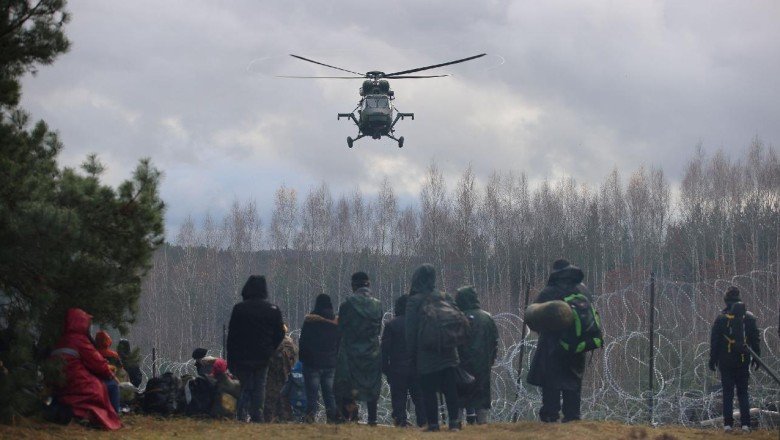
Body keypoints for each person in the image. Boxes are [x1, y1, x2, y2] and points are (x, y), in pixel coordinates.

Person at [527, 259, 591, 423]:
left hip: (552, 345)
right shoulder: (583, 289)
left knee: (551, 382)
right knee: (573, 381)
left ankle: (550, 415)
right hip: (578, 345)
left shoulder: (550, 291)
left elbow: (533, 317)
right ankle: (572, 416)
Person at [405, 264, 463, 432]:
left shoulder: (414, 301)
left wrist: (412, 355)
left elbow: (410, 332)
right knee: (450, 388)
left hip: (426, 352)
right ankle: (454, 423)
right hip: (448, 350)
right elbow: (457, 317)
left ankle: (433, 424)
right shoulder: (445, 296)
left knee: (428, 389)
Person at [48, 308, 122, 430]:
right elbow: (99, 365)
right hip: (80, 384)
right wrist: (111, 375)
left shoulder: (60, 341)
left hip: (61, 386)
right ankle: (113, 420)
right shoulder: (81, 341)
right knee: (112, 386)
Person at [227, 275, 285, 423]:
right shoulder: (272, 309)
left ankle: (240, 414)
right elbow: (280, 333)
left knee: (243, 386)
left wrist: (231, 357)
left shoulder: (239, 309)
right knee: (260, 387)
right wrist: (271, 348)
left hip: (242, 355)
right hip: (263, 355)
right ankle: (257, 415)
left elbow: (232, 335)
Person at [709, 286, 761, 433]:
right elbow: (755, 340)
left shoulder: (721, 319)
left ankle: (728, 425)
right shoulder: (749, 318)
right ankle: (745, 425)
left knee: (728, 393)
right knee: (743, 392)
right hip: (743, 359)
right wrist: (756, 357)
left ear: (726, 301)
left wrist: (712, 360)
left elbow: (715, 342)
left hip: (725, 361)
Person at [334, 272, 383, 425]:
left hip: (350, 352)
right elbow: (378, 330)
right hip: (372, 351)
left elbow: (340, 329)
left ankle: (347, 418)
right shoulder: (378, 304)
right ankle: (372, 419)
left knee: (347, 386)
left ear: (353, 286)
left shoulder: (347, 305)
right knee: (371, 385)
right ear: (368, 285)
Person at [455, 285, 498, 425]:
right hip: (482, 364)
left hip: (461, 364)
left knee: (460, 396)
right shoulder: (487, 317)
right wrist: (490, 360)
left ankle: (456, 424)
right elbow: (494, 341)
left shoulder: (458, 318)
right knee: (481, 397)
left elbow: (453, 341)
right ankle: (482, 425)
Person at [381, 294, 426, 427]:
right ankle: (423, 424)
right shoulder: (419, 324)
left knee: (398, 399)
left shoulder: (391, 325)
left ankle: (400, 423)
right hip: (417, 367)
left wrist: (386, 370)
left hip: (397, 369)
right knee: (420, 399)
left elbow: (384, 350)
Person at [298, 294, 340, 422]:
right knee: (330, 396)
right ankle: (333, 421)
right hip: (330, 365)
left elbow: (303, 342)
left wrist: (303, 359)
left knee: (312, 396)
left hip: (312, 364)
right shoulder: (336, 323)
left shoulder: (310, 322)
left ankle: (310, 420)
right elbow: (339, 344)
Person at [264, 324, 298, 422]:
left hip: (272, 378)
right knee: (284, 401)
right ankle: (284, 420)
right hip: (286, 377)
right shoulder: (290, 343)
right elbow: (294, 359)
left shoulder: (270, 343)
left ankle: (271, 420)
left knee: (271, 401)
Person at [94, 330, 123, 413]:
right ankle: (115, 412)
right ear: (108, 341)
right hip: (111, 379)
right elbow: (121, 369)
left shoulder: (94, 353)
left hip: (96, 380)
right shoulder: (114, 355)